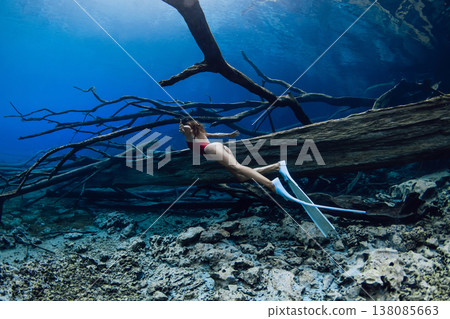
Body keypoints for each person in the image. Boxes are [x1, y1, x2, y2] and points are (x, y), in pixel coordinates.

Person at [179, 119, 279, 192]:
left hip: (212, 148)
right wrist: (228, 135)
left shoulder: (188, 133)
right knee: (241, 177)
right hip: (218, 148)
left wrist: (183, 127)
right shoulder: (197, 132)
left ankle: (270, 184)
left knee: (237, 167)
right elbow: (216, 134)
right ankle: (276, 167)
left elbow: (187, 128)